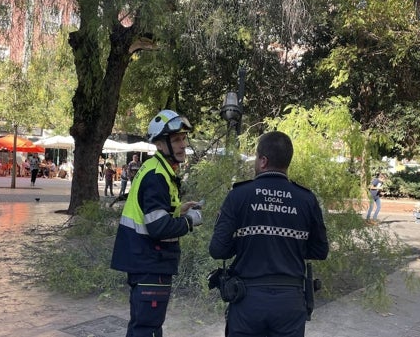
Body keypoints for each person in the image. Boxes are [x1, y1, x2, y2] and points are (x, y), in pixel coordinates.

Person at [209, 131, 329, 337]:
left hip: (247, 300)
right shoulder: (306, 199)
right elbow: (320, 250)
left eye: (256, 157)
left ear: (263, 161)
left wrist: (244, 242)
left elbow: (218, 250)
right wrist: (291, 245)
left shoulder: (238, 195)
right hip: (290, 302)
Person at [111, 109, 204, 337]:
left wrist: (176, 210)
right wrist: (189, 221)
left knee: (142, 327)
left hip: (144, 261)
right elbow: (158, 228)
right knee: (147, 330)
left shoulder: (159, 168)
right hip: (150, 263)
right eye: (175, 140)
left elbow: (151, 213)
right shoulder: (157, 176)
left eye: (183, 138)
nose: (183, 145)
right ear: (160, 145)